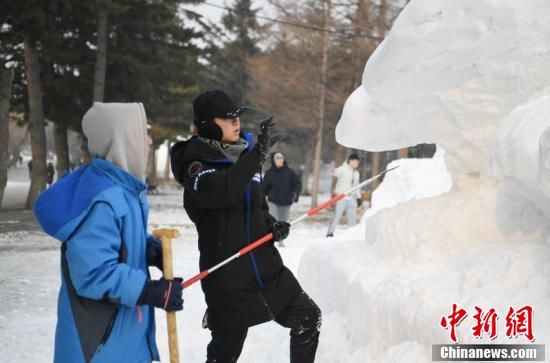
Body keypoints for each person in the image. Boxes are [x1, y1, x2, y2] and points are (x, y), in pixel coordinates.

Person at [171, 90, 321, 363]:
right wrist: (255, 156)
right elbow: (222, 193)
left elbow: (257, 207)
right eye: (228, 118)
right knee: (225, 353)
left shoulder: (246, 156)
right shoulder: (196, 165)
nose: (236, 122)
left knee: (308, 317)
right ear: (207, 123)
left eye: (237, 116)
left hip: (266, 270)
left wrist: (272, 227)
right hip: (229, 278)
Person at [34, 102, 184, 363]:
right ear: (122, 140)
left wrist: (146, 250)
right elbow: (93, 273)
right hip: (99, 347)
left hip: (123, 341)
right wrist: (148, 290)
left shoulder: (124, 190)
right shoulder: (102, 198)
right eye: (142, 133)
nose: (149, 141)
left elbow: (115, 243)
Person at [262, 152, 301, 246]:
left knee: (283, 221)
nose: (279, 160)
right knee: (273, 220)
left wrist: (295, 194)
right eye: (277, 158)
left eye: (281, 158)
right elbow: (263, 188)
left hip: (286, 201)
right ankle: (270, 240)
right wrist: (261, 198)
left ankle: (280, 239)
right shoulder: (269, 173)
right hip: (273, 201)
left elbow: (297, 184)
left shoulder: (290, 172)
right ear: (274, 160)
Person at [326, 154, 361, 237]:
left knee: (352, 216)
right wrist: (333, 170)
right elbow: (336, 172)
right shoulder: (343, 169)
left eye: (357, 162)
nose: (356, 164)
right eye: (355, 162)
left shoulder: (356, 173)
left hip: (352, 198)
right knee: (337, 215)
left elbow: (357, 186)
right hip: (341, 197)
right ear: (350, 161)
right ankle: (330, 233)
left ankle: (351, 233)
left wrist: (359, 197)